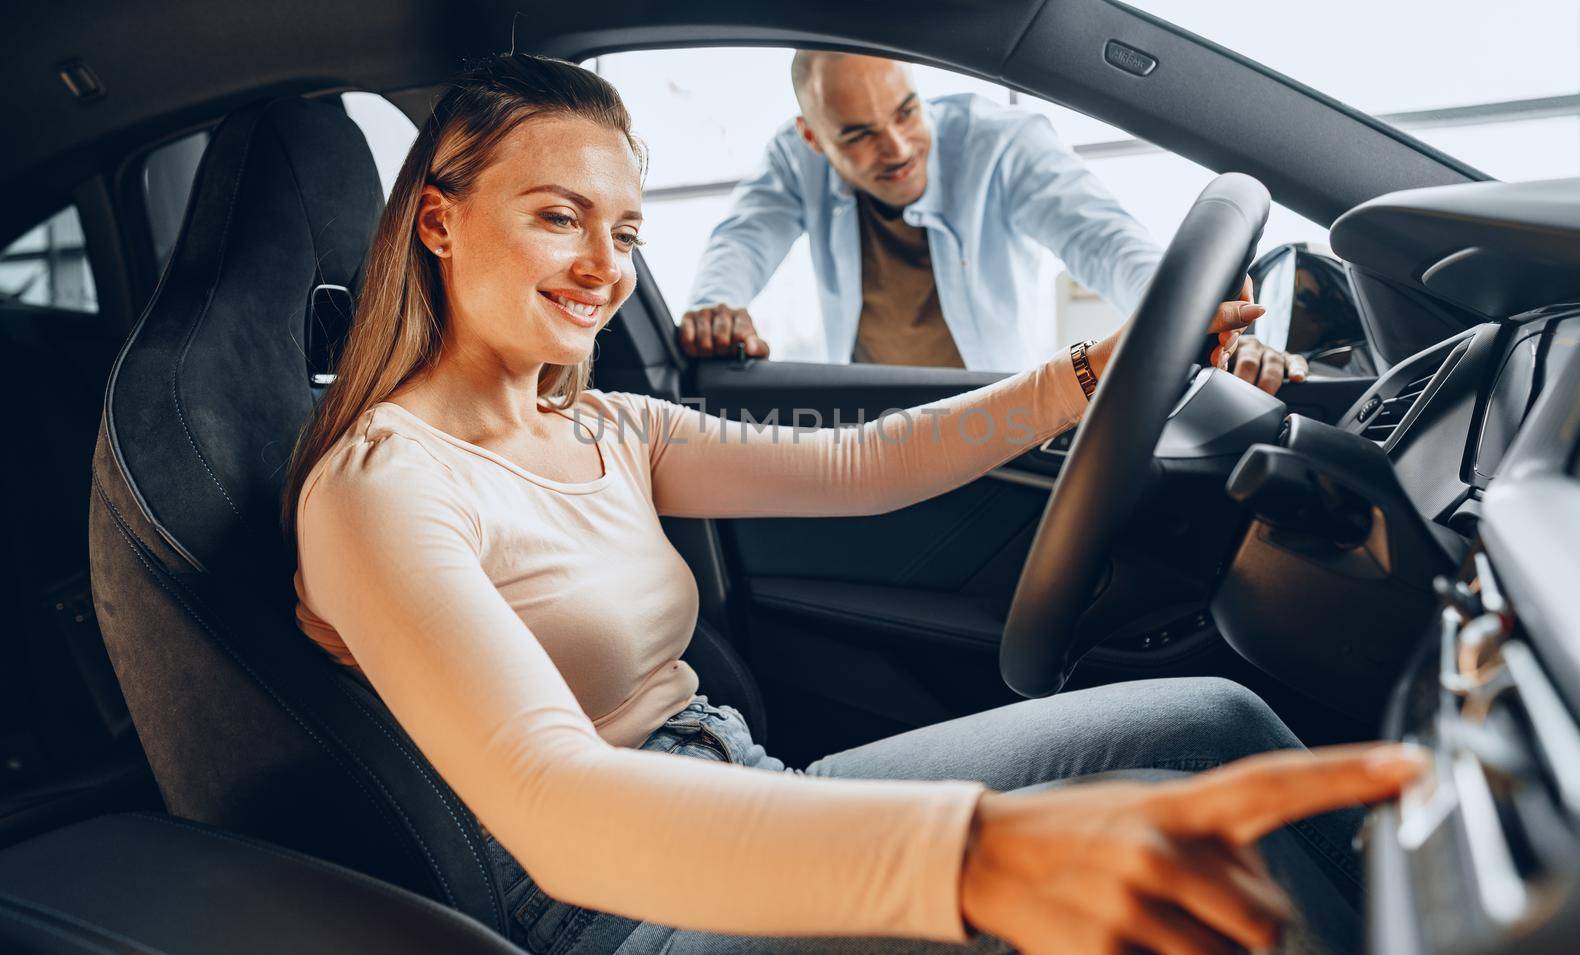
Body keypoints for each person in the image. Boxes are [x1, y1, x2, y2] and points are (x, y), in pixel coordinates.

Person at [284, 53, 1420, 955]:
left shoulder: (605, 426)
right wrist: (969, 854)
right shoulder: (382, 487)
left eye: (625, 230)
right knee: (1174, 897)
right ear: (438, 222)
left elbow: (862, 466)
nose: (604, 265)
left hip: (748, 790)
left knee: (1207, 727)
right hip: (625, 908)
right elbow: (556, 800)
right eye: (556, 216)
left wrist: (1095, 369)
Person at [680, 51, 1307, 392]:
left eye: (905, 113)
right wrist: (716, 306)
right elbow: (745, 236)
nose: (897, 148)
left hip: (991, 404)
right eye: (861, 135)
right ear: (813, 138)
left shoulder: (1002, 144)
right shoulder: (793, 159)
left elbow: (1106, 243)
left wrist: (1197, 322)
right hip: (869, 405)